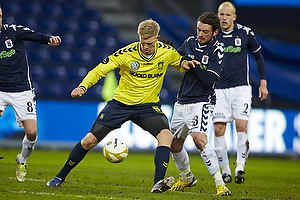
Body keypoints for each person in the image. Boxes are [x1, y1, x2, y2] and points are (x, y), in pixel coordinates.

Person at [47, 19, 200, 193]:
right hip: (121, 104)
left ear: (157, 38)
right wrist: (83, 86)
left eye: (149, 43)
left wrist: (184, 65)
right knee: (89, 140)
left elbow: (179, 63)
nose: (145, 47)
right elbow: (99, 70)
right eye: (142, 42)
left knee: (166, 136)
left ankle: (158, 182)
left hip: (147, 106)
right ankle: (60, 176)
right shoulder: (126, 53)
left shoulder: (167, 52)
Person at [168, 12, 231, 196]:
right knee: (173, 144)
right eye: (198, 30)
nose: (200, 34)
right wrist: (172, 55)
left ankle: (220, 184)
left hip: (202, 101)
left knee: (199, 139)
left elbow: (209, 80)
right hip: (182, 101)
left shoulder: (217, 50)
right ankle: (187, 176)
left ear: (215, 33)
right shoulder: (189, 42)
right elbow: (177, 61)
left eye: (205, 31)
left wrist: (193, 65)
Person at [0, 6, 61, 182]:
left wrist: (50, 39)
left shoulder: (13, 31)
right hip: (0, 89)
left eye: (0, 16)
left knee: (32, 132)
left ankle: (22, 159)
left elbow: (36, 35)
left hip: (22, 90)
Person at [213, 1, 268, 184]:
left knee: (241, 126)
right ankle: (226, 170)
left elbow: (258, 56)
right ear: (218, 15)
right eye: (221, 14)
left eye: (228, 15)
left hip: (241, 88)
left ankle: (240, 169)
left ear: (234, 17)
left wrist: (263, 82)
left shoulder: (245, 33)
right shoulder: (213, 34)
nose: (224, 18)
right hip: (218, 89)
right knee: (218, 129)